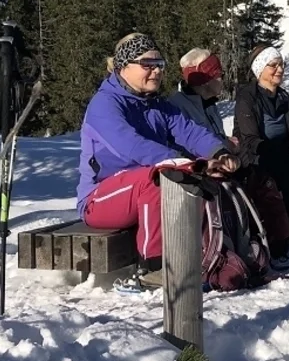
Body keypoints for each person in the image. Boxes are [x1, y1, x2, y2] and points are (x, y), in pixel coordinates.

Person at [76, 33, 239, 287]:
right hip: (98, 199)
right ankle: (154, 266)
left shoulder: (157, 105)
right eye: (147, 64)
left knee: (201, 180)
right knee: (155, 178)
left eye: (159, 65)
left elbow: (189, 131)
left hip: (140, 195)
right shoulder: (104, 105)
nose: (155, 71)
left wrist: (219, 153)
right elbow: (132, 147)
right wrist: (184, 163)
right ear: (123, 66)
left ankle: (213, 255)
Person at [169, 47, 289, 259]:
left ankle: (276, 239)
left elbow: (214, 136)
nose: (222, 78)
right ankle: (250, 241)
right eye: (218, 74)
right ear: (206, 79)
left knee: (260, 176)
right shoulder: (177, 105)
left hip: (223, 162)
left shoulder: (209, 105)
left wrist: (227, 144)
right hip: (199, 170)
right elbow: (187, 142)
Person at [232, 44, 289, 243]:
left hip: (283, 154)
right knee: (288, 167)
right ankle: (285, 227)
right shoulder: (247, 98)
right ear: (259, 69)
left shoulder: (283, 96)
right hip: (256, 158)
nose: (280, 69)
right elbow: (250, 141)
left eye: (281, 64)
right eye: (273, 65)